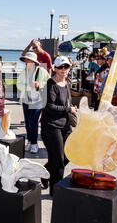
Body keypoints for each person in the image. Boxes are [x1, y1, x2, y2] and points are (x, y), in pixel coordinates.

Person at [40, 56, 77, 197]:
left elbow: (66, 102)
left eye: (66, 67)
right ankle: (55, 192)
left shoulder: (67, 83)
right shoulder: (50, 84)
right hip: (51, 127)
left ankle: (46, 172)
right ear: (54, 68)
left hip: (65, 126)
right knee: (59, 162)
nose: (63, 70)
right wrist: (68, 109)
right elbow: (48, 106)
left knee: (70, 153)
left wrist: (71, 109)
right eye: (60, 67)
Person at [17, 52, 50, 154]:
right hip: (26, 100)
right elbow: (19, 85)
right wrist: (29, 86)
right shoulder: (24, 72)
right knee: (27, 123)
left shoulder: (42, 71)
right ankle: (30, 141)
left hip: (37, 101)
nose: (26, 62)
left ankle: (35, 143)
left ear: (33, 62)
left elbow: (50, 83)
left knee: (33, 122)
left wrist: (39, 85)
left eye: (28, 60)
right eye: (25, 60)